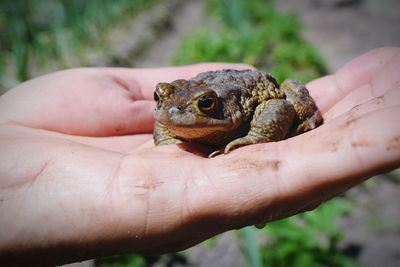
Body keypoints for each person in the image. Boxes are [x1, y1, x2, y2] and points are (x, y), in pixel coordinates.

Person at [0, 47, 399, 265]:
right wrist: (168, 138)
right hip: (209, 90)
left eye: (202, 108)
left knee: (294, 91)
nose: (171, 116)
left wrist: (259, 135)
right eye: (161, 99)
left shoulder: (241, 104)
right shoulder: (172, 113)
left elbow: (275, 105)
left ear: (215, 106)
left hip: (246, 89)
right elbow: (167, 119)